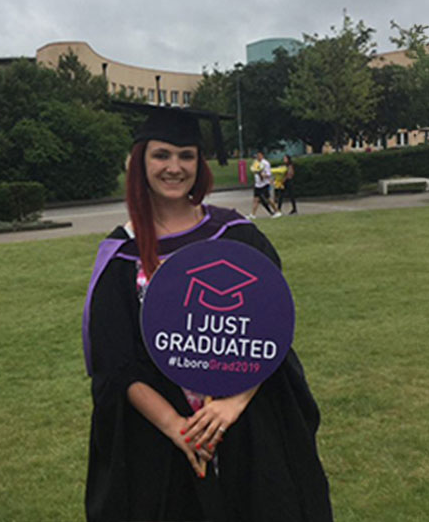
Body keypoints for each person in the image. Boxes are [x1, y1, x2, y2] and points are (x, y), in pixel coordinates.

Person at [82, 102, 332, 521]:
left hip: (247, 424)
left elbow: (269, 333)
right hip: (160, 437)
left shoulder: (236, 236)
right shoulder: (121, 254)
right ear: (140, 162)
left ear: (200, 162)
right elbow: (116, 363)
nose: (174, 167)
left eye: (186, 156)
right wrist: (178, 429)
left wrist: (230, 405)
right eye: (161, 155)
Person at [250, 151, 282, 219]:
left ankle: (277, 211)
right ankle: (253, 214)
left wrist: (263, 175)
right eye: (257, 155)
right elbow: (253, 169)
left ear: (262, 155)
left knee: (268, 199)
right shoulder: (255, 162)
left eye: (259, 155)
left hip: (264, 184)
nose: (258, 157)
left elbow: (268, 174)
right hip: (257, 184)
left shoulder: (266, 163)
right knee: (256, 199)